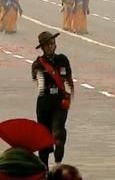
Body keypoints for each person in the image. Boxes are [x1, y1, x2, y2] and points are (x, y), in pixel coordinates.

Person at [30, 31, 74, 170]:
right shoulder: (38, 64)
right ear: (42, 47)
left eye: (52, 43)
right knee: (44, 137)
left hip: (60, 102)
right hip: (45, 102)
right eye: (47, 44)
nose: (50, 46)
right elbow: (40, 84)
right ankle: (44, 169)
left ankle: (58, 164)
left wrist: (68, 95)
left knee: (58, 131)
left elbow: (68, 80)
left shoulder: (63, 60)